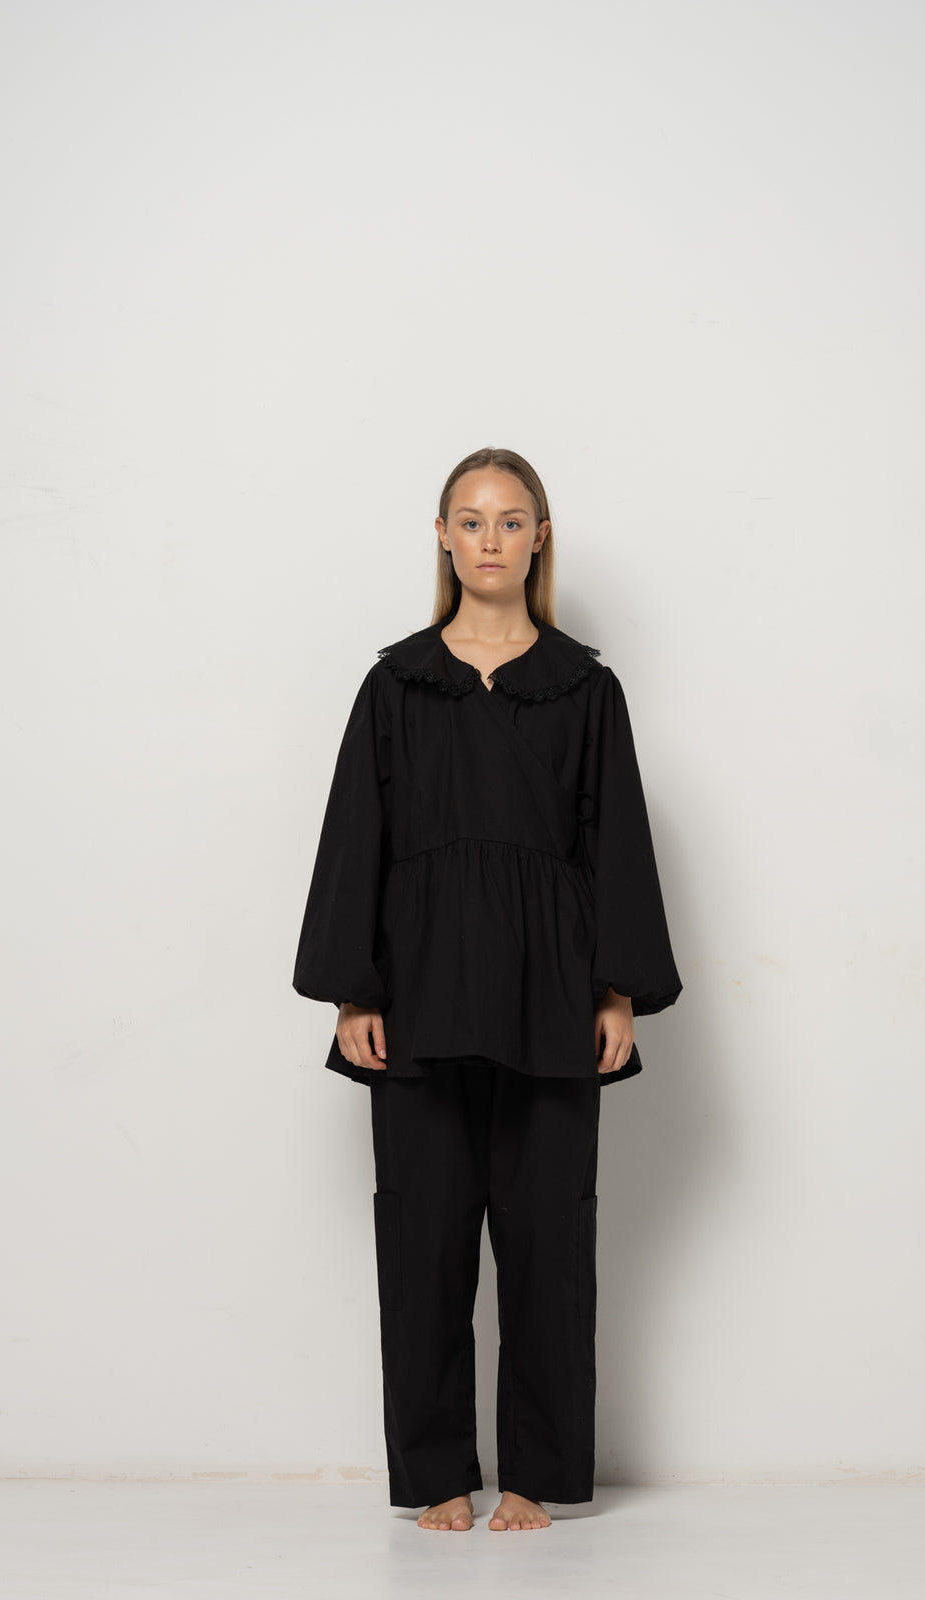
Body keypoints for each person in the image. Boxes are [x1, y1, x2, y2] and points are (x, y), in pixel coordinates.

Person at [292, 446, 683, 1531]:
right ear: (443, 537)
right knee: (422, 1241)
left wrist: (617, 992)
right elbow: (357, 838)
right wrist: (353, 992)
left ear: (540, 539)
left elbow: (616, 842)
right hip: (418, 997)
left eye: (512, 520)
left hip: (550, 998)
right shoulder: (396, 686)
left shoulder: (586, 690)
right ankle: (435, 1473)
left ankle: (535, 1475)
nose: (491, 539)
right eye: (471, 520)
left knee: (551, 1241)